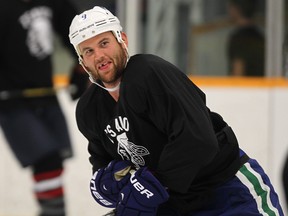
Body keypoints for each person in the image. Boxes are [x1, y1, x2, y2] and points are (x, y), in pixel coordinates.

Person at [68, 6, 284, 215]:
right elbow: (103, 165)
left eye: (104, 43)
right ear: (82, 61)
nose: (99, 56)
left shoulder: (147, 74)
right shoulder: (90, 110)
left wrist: (153, 183)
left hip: (224, 191)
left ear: (122, 40)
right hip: (171, 204)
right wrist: (109, 184)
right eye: (89, 51)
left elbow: (198, 139)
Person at [0, 0, 88, 216]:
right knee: (47, 160)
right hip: (10, 100)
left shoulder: (52, 2)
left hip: (46, 95)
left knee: (56, 160)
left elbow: (76, 31)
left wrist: (82, 68)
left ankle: (51, 212)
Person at [227, 0, 265, 76]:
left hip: (245, 87)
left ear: (236, 9)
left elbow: (238, 72)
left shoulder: (238, 39)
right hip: (261, 86)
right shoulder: (260, 37)